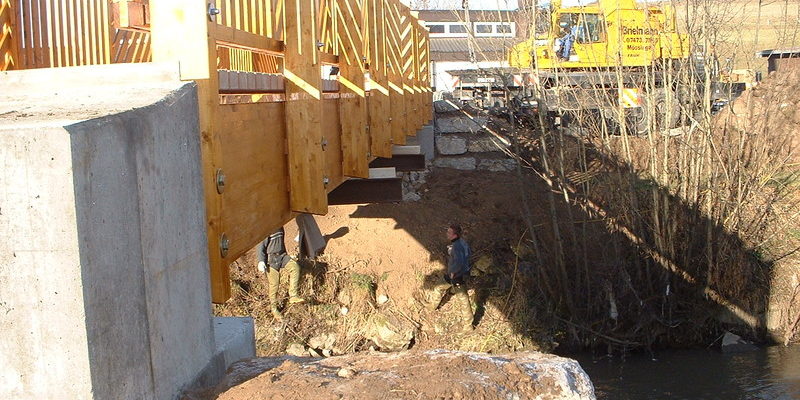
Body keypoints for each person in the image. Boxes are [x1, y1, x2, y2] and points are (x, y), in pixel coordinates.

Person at [428, 224, 474, 332]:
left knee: (463, 300)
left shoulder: (457, 247)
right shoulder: (460, 243)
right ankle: (432, 306)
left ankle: (468, 326)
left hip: (456, 276)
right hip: (456, 274)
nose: (447, 234)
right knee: (439, 287)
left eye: (449, 232)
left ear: (455, 235)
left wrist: (454, 272)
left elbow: (459, 262)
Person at [258, 227, 305, 321]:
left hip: (282, 256)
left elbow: (281, 243)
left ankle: (293, 295)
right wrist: (261, 261)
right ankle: (274, 309)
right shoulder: (266, 229)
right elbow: (260, 247)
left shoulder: (280, 228)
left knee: (295, 267)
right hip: (271, 260)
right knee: (274, 285)